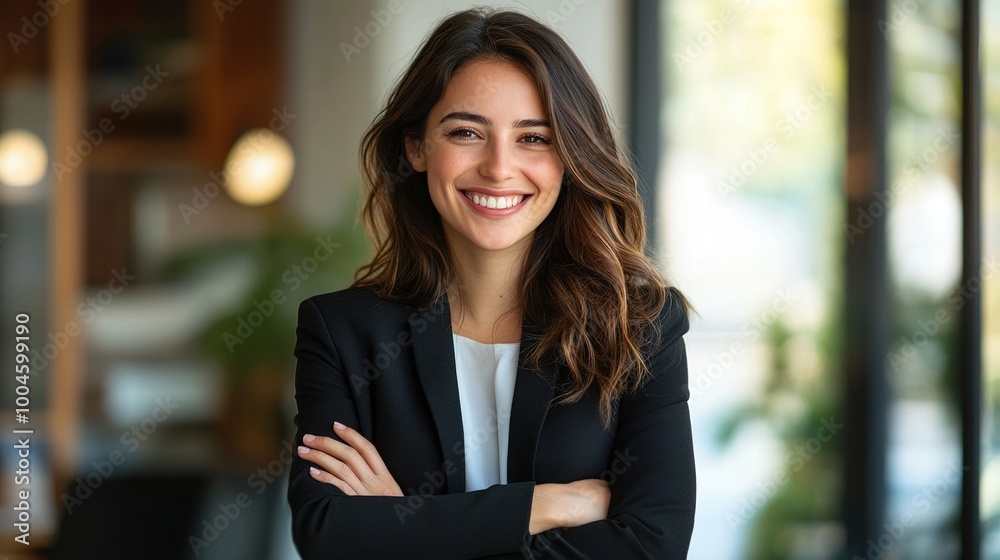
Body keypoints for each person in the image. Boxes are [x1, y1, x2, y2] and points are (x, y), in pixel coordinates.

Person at [288, 8, 694, 559]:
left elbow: (651, 546)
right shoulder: (342, 332)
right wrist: (544, 506)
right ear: (416, 146)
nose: (500, 167)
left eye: (534, 138)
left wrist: (405, 526)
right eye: (466, 132)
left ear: (570, 156)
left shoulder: (639, 323)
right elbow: (329, 536)